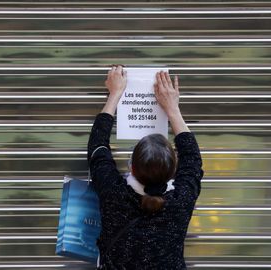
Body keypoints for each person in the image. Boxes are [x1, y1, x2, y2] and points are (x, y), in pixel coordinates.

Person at [87, 65, 204, 269]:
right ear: (173, 169)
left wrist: (115, 94)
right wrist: (172, 109)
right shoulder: (180, 201)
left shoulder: (114, 194)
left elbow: (97, 148)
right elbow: (193, 159)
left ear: (131, 168)